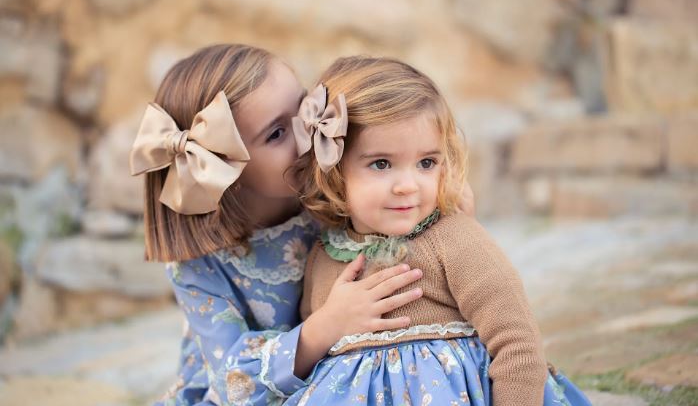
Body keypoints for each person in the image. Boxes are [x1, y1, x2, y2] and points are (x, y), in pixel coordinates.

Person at [129, 44, 428, 405]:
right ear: (221, 171)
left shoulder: (332, 187)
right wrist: (326, 327)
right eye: (276, 134)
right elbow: (233, 381)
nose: (306, 135)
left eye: (303, 109)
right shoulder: (199, 265)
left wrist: (440, 212)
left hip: (344, 373)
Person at [285, 56, 591, 406]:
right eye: (381, 164)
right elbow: (313, 363)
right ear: (334, 171)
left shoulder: (454, 239)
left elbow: (517, 343)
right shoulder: (323, 256)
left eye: (426, 163)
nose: (407, 185)